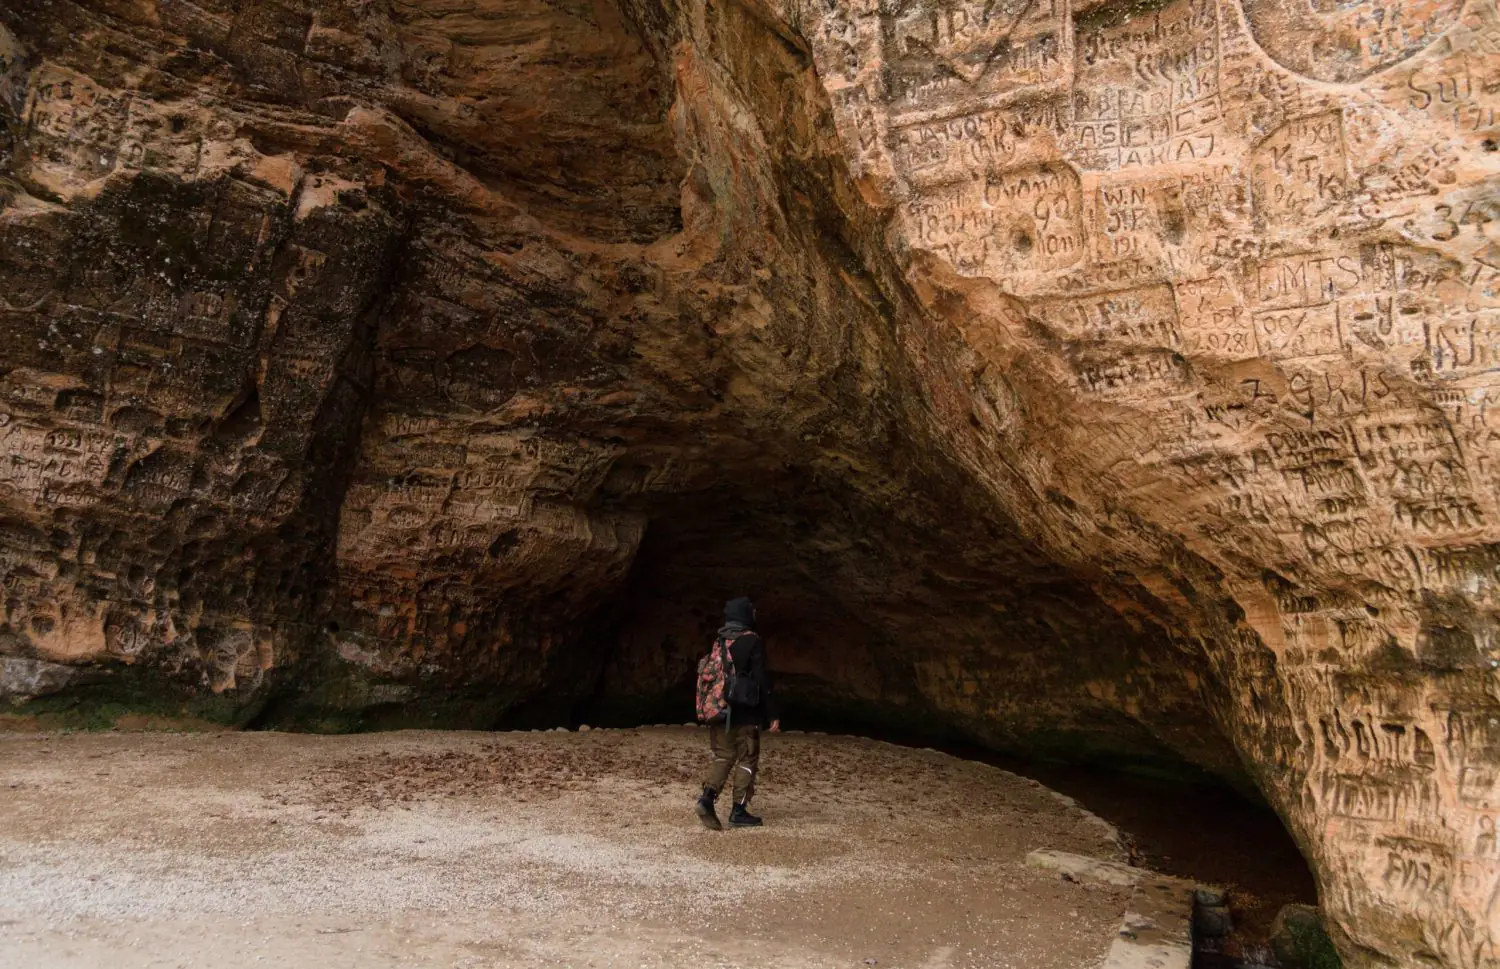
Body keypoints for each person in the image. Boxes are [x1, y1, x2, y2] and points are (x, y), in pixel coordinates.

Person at [696, 596, 780, 829]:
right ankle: (738, 810)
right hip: (746, 711)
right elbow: (762, 679)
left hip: (720, 709)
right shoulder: (752, 641)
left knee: (723, 756)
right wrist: (772, 714)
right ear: (745, 616)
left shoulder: (720, 641)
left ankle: (707, 798)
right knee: (747, 758)